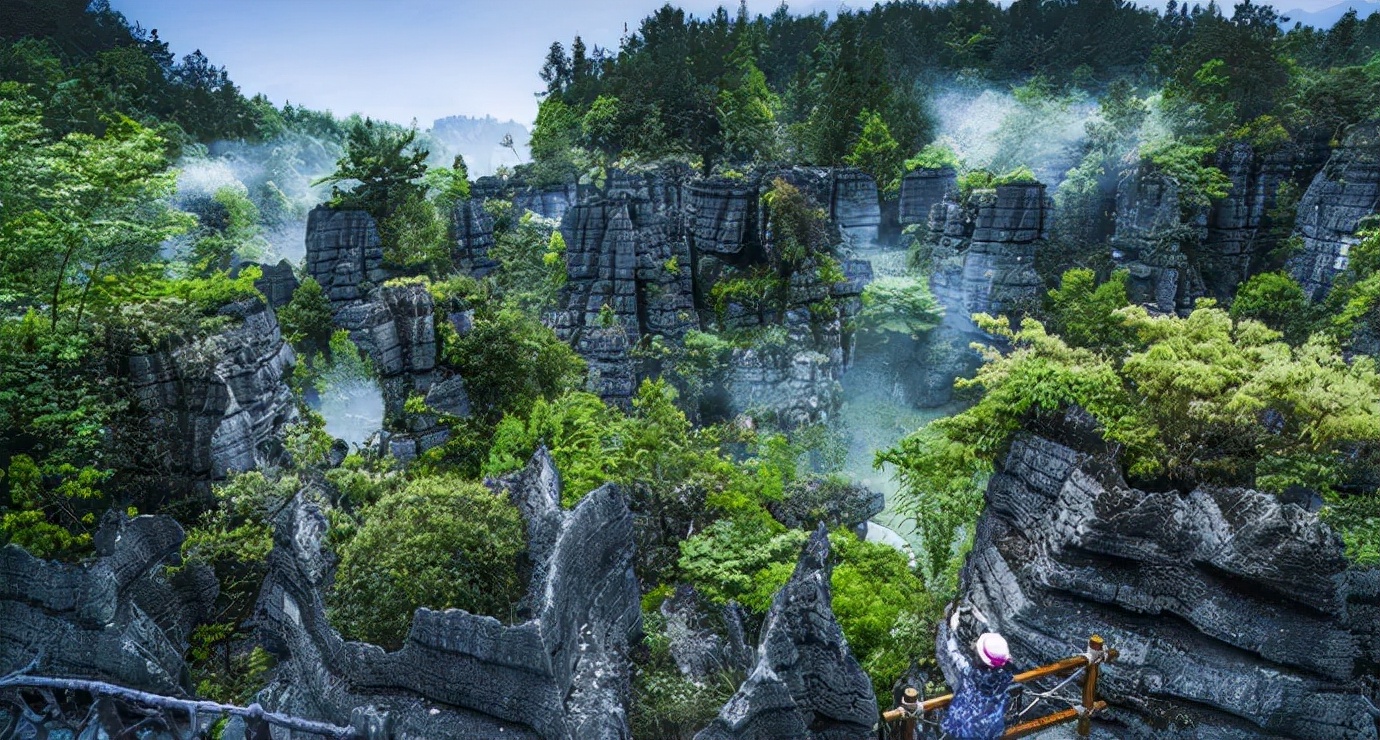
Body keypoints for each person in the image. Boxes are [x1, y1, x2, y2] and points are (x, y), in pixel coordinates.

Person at [940, 604, 1013, 740]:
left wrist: (952, 629)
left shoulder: (971, 673)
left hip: (967, 728)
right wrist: (982, 619)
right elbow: (999, 650)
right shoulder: (1005, 674)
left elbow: (953, 652)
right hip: (992, 725)